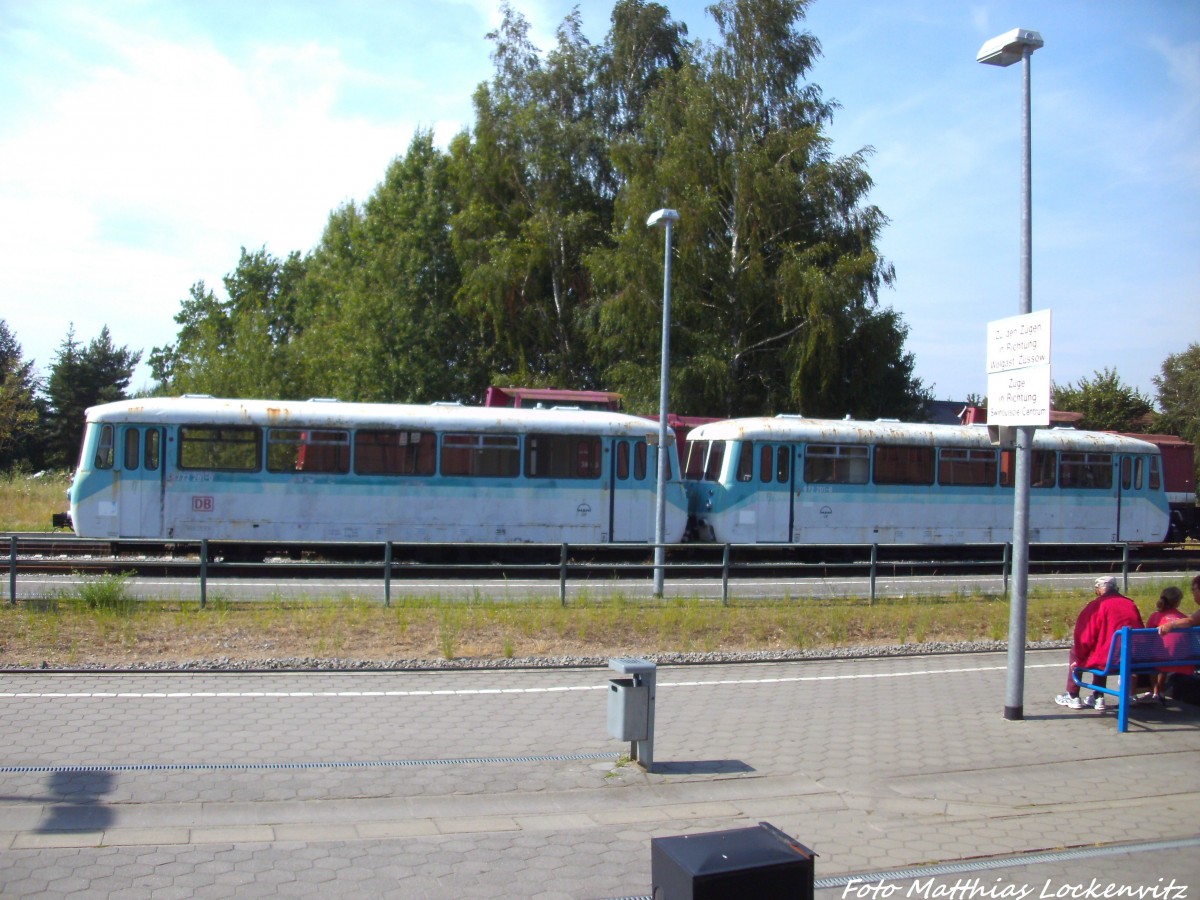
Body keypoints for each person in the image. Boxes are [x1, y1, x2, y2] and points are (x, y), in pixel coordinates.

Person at [1054, 576, 1144, 711]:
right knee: (1103, 649)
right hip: (1131, 658)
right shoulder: (1130, 604)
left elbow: (1083, 637)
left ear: (1098, 590)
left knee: (1081, 652)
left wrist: (1079, 657)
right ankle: (1098, 696)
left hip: (1107, 660)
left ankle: (1073, 695)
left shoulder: (1096, 606)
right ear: (1116, 588)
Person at [1145, 586, 1189, 704]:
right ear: (1178, 602)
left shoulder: (1156, 616)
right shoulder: (1183, 618)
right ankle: (1161, 691)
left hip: (1160, 657)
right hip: (1182, 657)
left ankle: (1155, 691)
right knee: (1164, 656)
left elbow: (1146, 636)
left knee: (1155, 656)